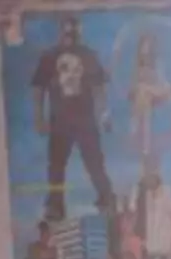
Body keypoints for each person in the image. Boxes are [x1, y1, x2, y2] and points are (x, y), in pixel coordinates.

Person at [32, 15, 115, 221]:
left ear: (78, 32)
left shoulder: (88, 55)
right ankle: (55, 205)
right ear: (61, 31)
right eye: (66, 30)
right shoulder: (50, 57)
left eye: (73, 31)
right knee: (57, 164)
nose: (70, 35)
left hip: (85, 119)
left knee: (94, 161)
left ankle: (107, 198)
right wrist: (39, 117)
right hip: (60, 121)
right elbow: (38, 89)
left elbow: (99, 88)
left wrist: (104, 114)